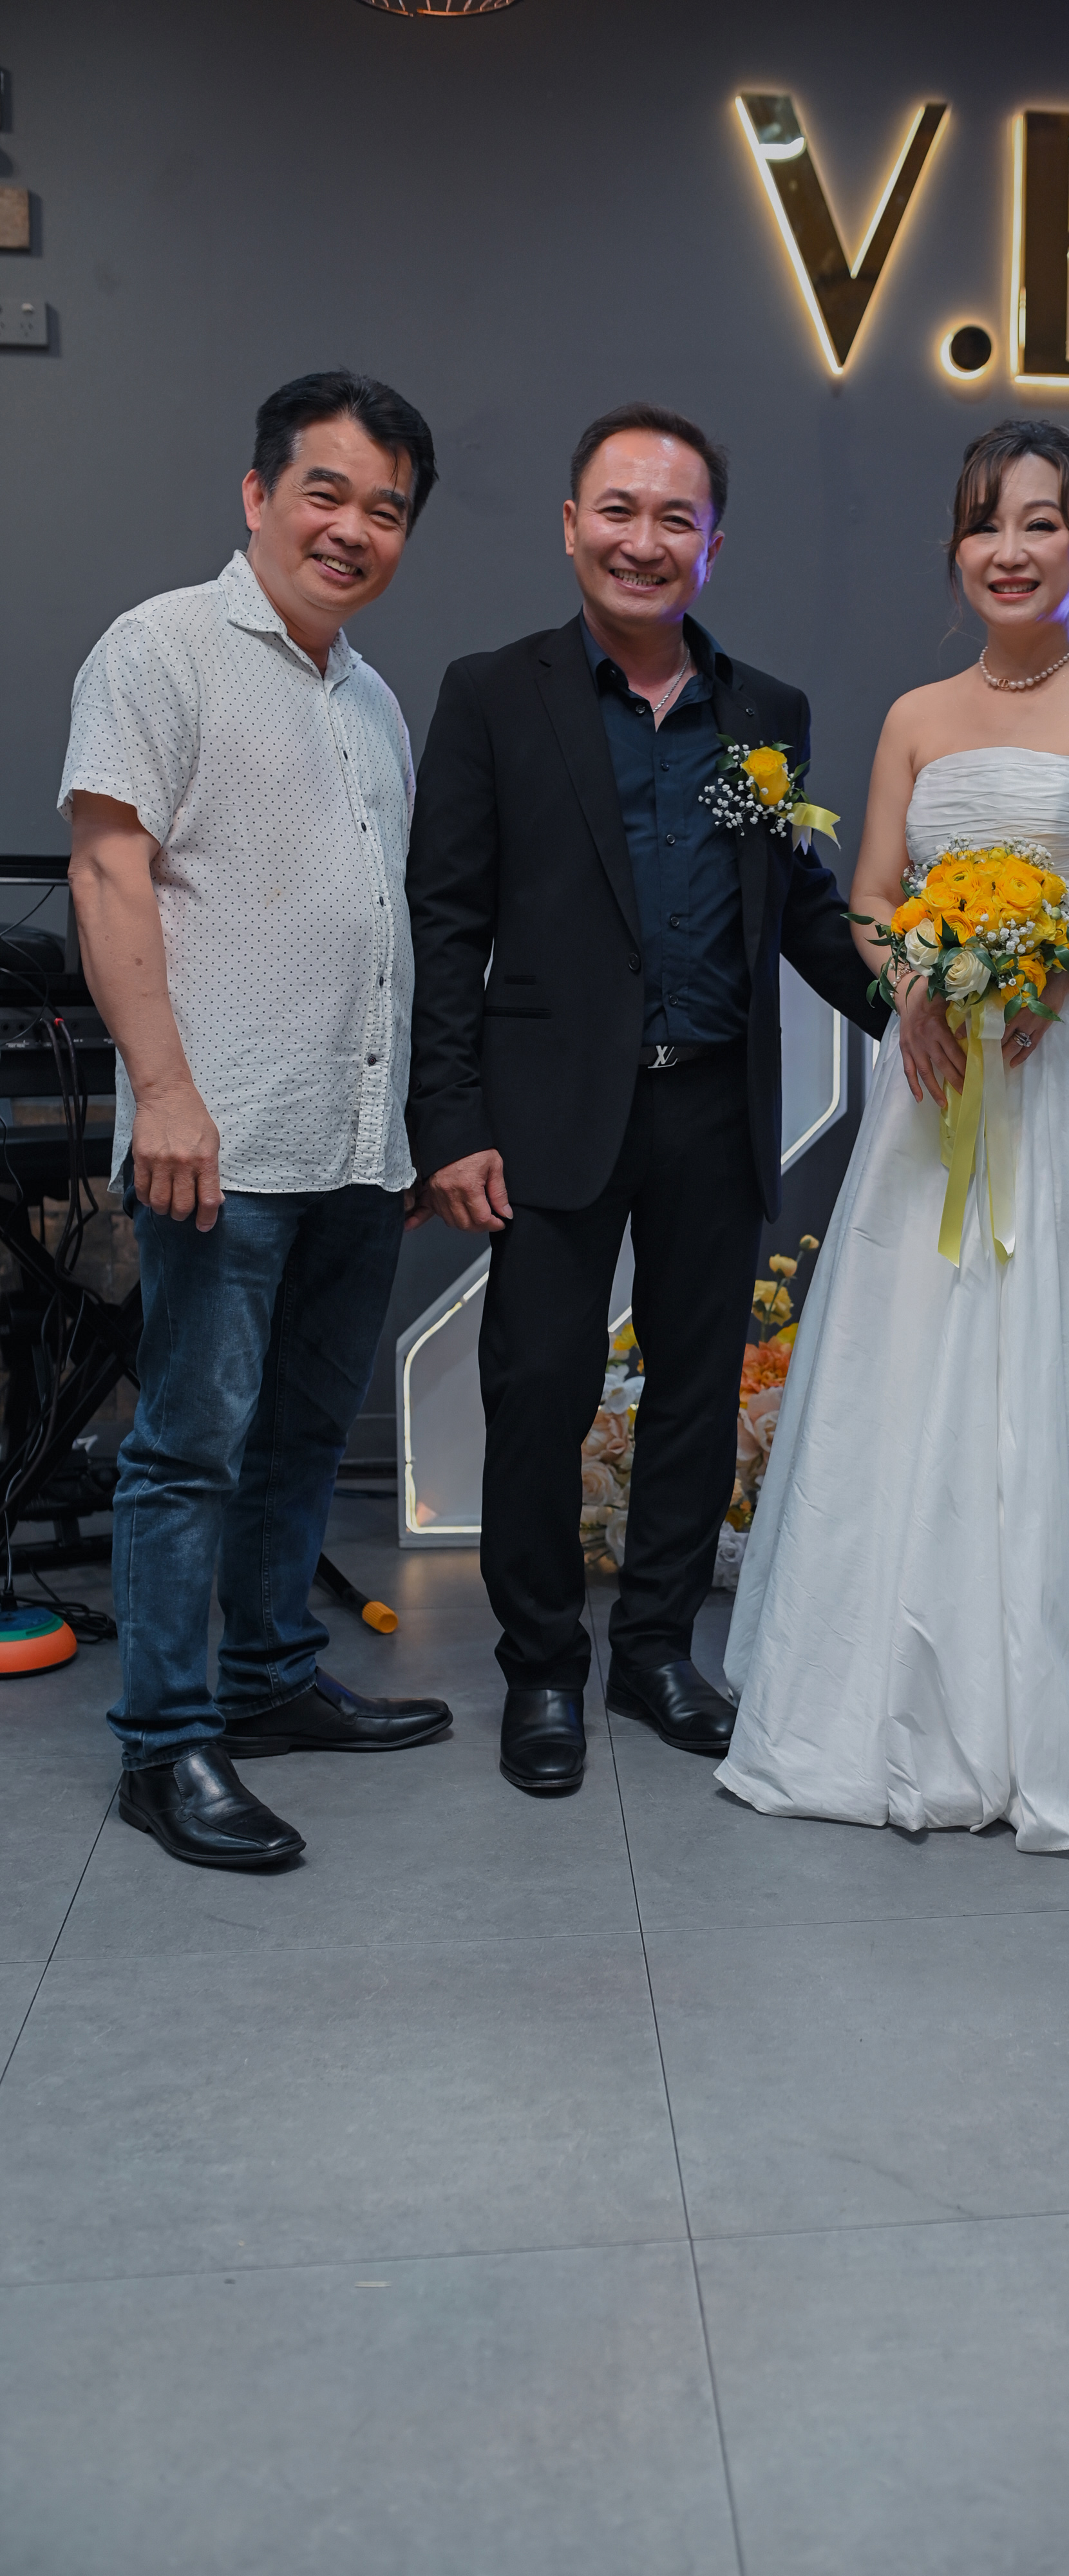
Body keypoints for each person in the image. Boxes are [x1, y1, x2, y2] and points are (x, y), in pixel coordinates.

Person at [715, 421, 1069, 1855]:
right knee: (926, 1354)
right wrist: (917, 978)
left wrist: (1052, 961)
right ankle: (904, 1691)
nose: (1010, 550)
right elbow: (868, 899)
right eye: (985, 524)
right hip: (944, 1083)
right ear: (956, 548)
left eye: (1041, 524)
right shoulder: (916, 716)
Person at [406, 401, 887, 1799]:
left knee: (691, 1390)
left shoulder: (764, 713)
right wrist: (449, 1121)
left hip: (712, 1106)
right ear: (572, 526)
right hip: (546, 1108)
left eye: (676, 517)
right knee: (538, 1389)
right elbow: (445, 920)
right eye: (617, 510)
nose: (643, 539)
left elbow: (798, 907)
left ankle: (659, 1651)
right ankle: (542, 1667)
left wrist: (917, 1004)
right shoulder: (493, 694)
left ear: (711, 547)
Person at [62, 368, 454, 1873]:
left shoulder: (370, 698)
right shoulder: (161, 647)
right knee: (189, 1448)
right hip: (214, 1137)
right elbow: (110, 874)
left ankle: (270, 1676)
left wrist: (398, 1125)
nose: (351, 529)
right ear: (258, 494)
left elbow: (378, 924)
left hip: (351, 1142)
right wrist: (163, 1089)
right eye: (325, 492)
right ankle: (166, 1745)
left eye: (385, 510)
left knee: (298, 1435)